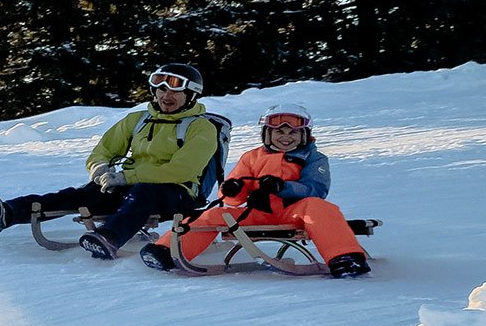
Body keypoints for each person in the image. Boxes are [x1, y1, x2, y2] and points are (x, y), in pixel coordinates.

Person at [0, 64, 223, 260]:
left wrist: (128, 177)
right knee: (83, 194)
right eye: (161, 89)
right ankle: (8, 212)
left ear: (191, 95)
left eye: (174, 91)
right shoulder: (138, 120)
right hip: (132, 186)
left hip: (178, 192)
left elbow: (182, 170)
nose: (165, 95)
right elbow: (103, 150)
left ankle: (110, 238)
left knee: (145, 192)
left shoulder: (201, 128)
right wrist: (101, 170)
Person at [139, 103, 370, 277]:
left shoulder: (313, 158)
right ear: (268, 134)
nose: (285, 137)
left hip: (296, 212)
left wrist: (283, 187)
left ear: (304, 135)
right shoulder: (252, 157)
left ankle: (345, 257)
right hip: (258, 213)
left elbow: (316, 189)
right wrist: (232, 189)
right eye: (279, 132)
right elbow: (230, 200)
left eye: (292, 133)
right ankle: (166, 251)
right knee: (213, 215)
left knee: (320, 208)